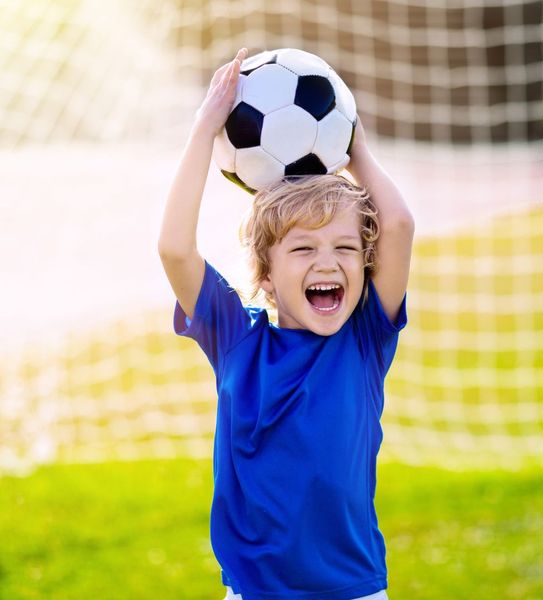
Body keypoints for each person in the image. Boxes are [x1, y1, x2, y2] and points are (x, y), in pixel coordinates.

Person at [158, 48, 414, 600]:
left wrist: (357, 152)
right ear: (266, 276)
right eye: (303, 248)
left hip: (355, 591)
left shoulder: (365, 340)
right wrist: (204, 130)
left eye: (345, 247)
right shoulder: (236, 340)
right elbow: (175, 249)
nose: (327, 262)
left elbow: (396, 225)